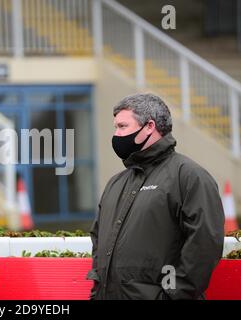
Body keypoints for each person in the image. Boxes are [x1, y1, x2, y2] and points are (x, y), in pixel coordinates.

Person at [87, 93, 224, 300]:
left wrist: (172, 296)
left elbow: (204, 245)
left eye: (123, 126)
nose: (116, 134)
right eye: (115, 127)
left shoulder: (189, 176)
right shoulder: (115, 183)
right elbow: (98, 241)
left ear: (150, 126)